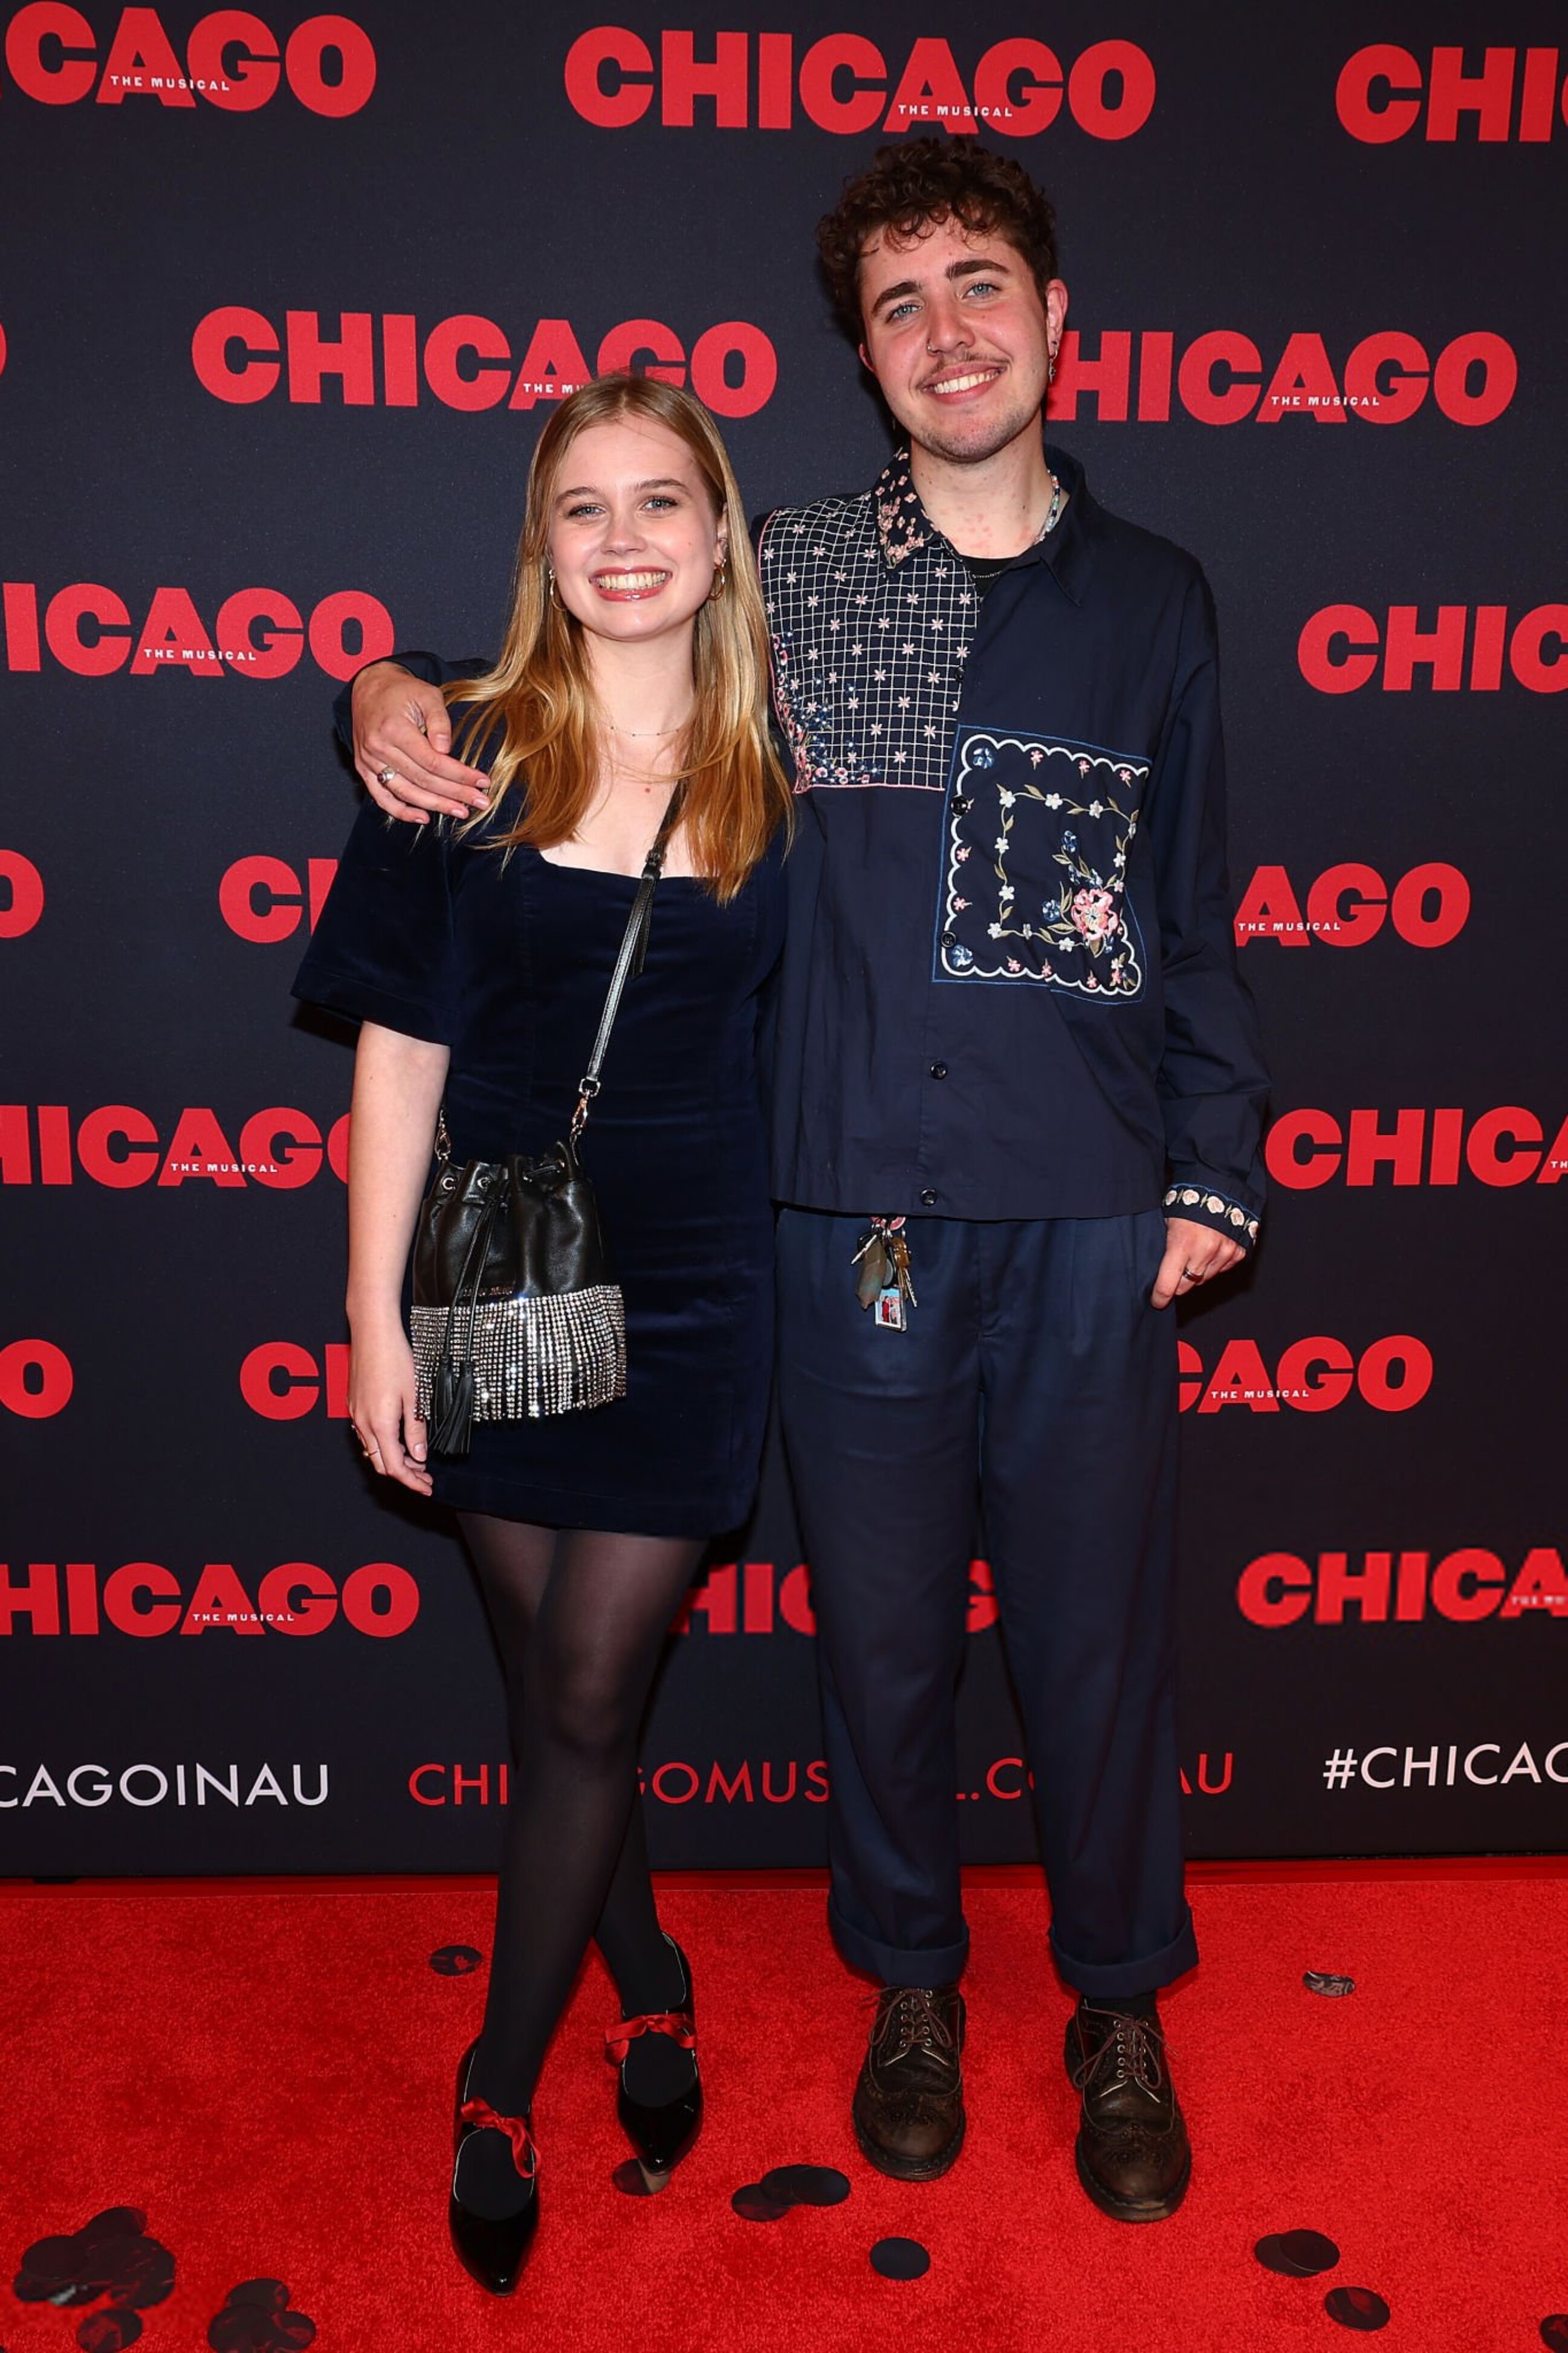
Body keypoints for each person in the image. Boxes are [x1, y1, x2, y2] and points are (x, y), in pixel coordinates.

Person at [343, 138, 1269, 2225]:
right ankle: (910, 1983)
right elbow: (577, 660)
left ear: (1054, 317)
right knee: (881, 1641)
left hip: (1089, 1198)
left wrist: (1215, 1157)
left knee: (1097, 1641)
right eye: (898, 304)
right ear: (862, 355)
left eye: (979, 286)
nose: (946, 332)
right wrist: (376, 692)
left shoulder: (1157, 601)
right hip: (840, 1205)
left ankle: (1117, 1999)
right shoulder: (801, 579)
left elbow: (1194, 906)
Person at [293, 372, 790, 2294]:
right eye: (582, 508)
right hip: (494, 1271)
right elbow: (399, 1053)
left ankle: (494, 2082)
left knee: (584, 1692)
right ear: (541, 548)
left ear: (718, 536)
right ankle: (645, 1972)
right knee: (551, 1691)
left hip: (699, 1285)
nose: (623, 538)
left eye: (661, 500)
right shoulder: (461, 760)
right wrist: (370, 1319)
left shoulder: (787, 769)